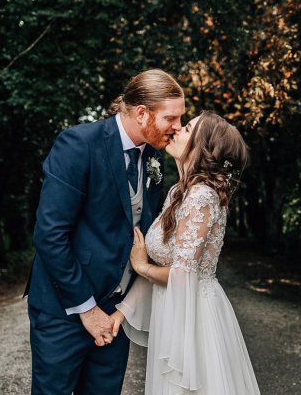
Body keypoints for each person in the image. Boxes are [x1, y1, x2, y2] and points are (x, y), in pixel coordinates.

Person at [24, 69, 185, 395]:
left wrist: (121, 309)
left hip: (116, 311)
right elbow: (50, 234)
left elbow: (143, 229)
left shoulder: (154, 157)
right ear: (142, 113)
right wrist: (86, 308)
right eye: (171, 117)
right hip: (64, 308)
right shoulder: (79, 144)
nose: (178, 127)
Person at [111, 111, 261, 394]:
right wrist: (119, 316)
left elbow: (181, 274)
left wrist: (141, 266)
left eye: (188, 128)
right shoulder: (179, 192)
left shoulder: (201, 195)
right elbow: (164, 266)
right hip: (174, 309)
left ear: (203, 146)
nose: (177, 130)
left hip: (195, 315)